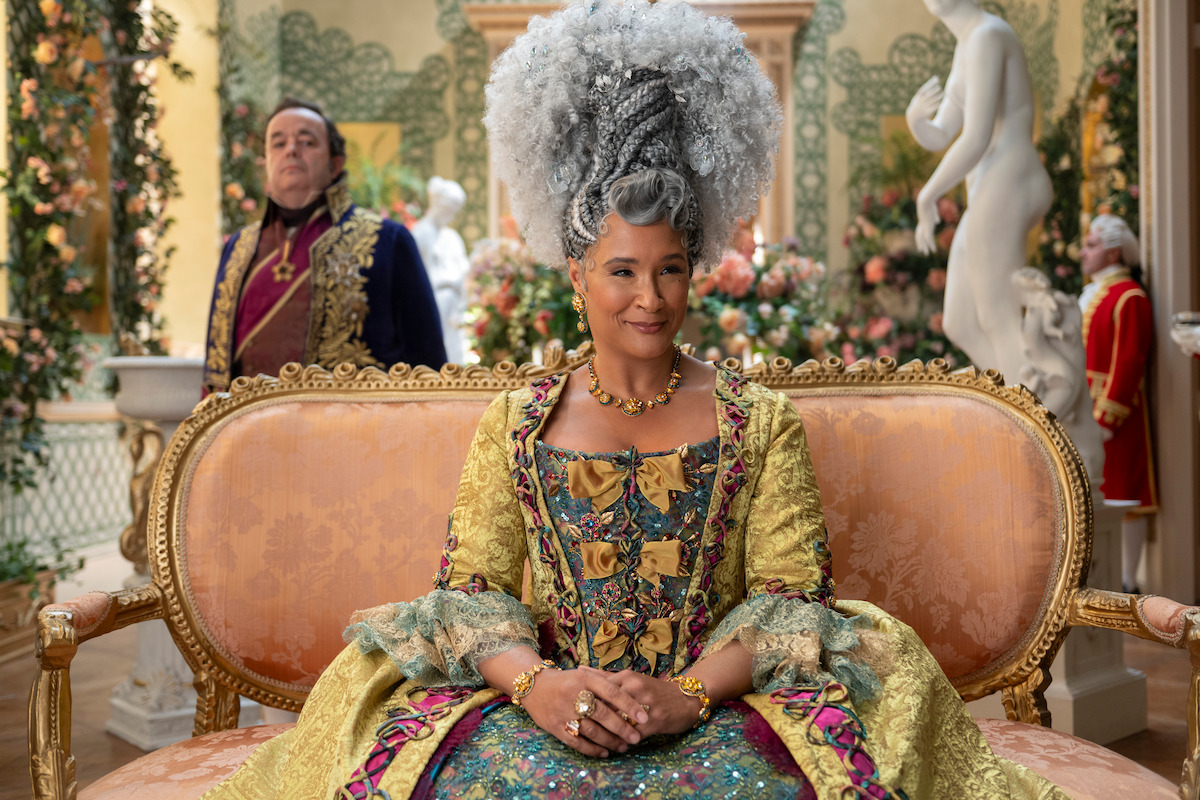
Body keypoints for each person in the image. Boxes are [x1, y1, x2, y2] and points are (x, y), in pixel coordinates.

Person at [205, 3, 1067, 797]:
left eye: (671, 269)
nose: (649, 297)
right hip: (539, 710)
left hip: (719, 714)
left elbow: (790, 604)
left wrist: (685, 696)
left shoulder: (758, 423)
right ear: (577, 274)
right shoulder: (520, 419)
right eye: (622, 270)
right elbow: (470, 592)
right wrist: (541, 688)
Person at [202, 98, 447, 394]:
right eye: (278, 144)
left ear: (335, 163)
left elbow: (429, 368)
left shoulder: (387, 241)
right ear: (265, 163)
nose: (291, 150)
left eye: (306, 141)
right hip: (244, 434)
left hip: (353, 434)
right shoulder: (239, 247)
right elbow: (215, 369)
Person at [905, 0, 1052, 384]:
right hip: (990, 187)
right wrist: (917, 122)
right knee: (960, 322)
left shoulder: (989, 35)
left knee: (997, 316)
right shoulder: (967, 44)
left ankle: (1033, 423)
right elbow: (943, 132)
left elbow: (977, 136)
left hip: (1010, 178)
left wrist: (928, 195)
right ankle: (1024, 397)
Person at [1078, 213, 1158, 592]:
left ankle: (1128, 581)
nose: (1083, 252)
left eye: (1091, 245)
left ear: (1113, 253)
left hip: (1115, 415)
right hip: (1087, 411)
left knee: (1126, 493)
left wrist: (1107, 417)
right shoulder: (1098, 293)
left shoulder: (1130, 296)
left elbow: (1128, 361)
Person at [412, 177, 470, 363]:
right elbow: (414, 274)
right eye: (448, 210)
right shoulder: (420, 233)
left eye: (454, 212)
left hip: (454, 302)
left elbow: (464, 270)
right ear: (438, 204)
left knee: (454, 350)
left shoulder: (452, 236)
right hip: (432, 300)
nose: (450, 216)